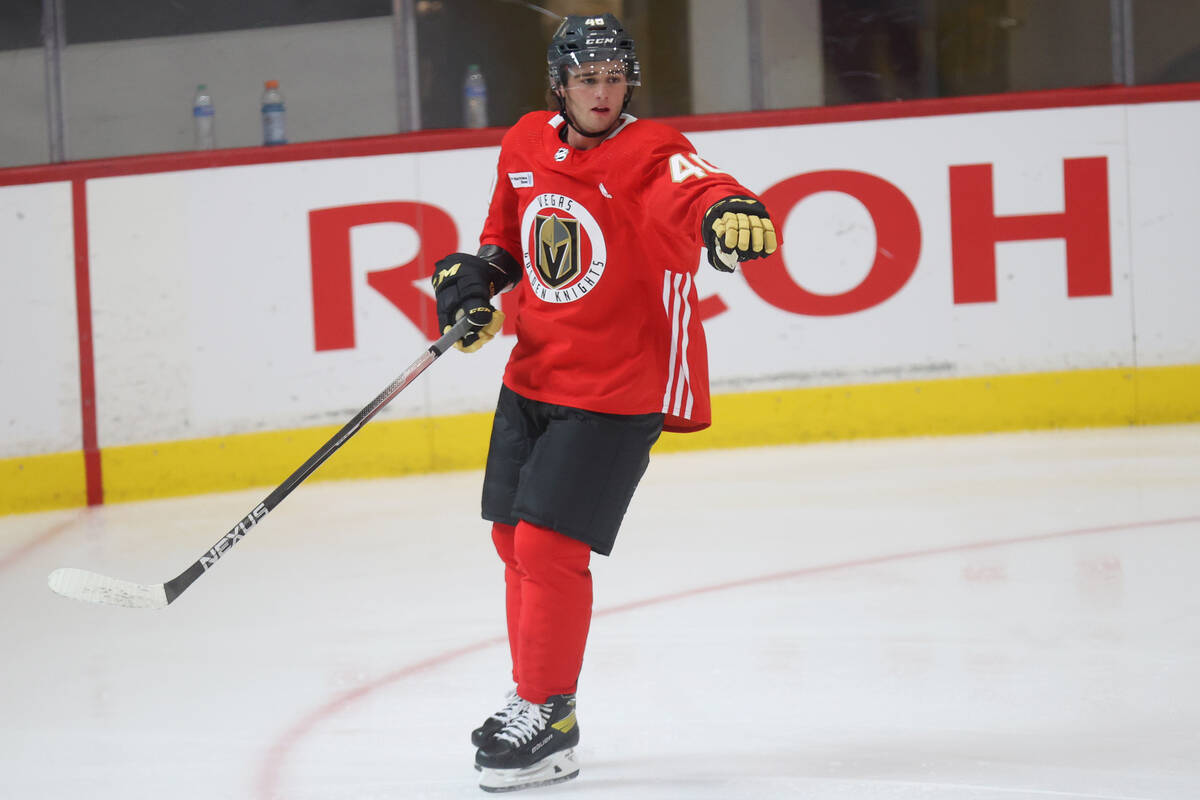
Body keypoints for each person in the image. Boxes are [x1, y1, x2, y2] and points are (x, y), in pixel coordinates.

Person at [430, 12, 779, 793]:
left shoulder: (652, 150)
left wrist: (728, 215)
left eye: (614, 77)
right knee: (510, 540)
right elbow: (507, 239)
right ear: (560, 83)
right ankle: (533, 698)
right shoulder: (524, 141)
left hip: (619, 384)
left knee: (551, 551)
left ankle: (547, 713)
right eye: (587, 78)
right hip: (533, 376)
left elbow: (698, 189)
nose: (602, 91)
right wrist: (476, 280)